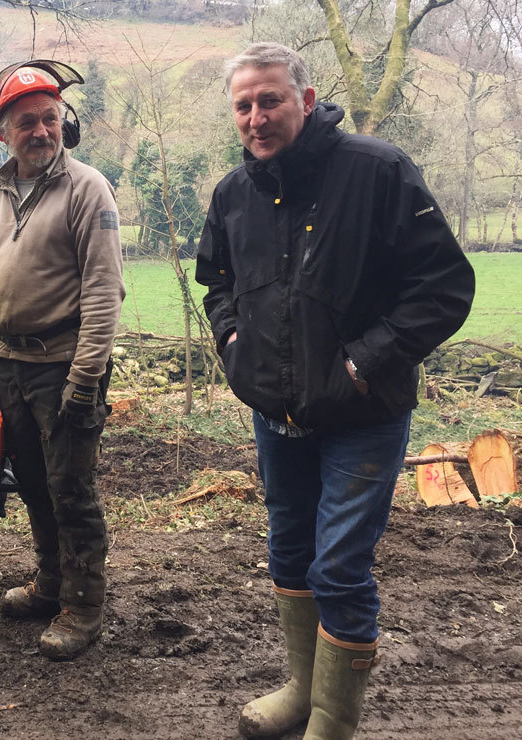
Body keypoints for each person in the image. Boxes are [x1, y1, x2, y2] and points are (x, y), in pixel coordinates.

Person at [195, 43, 474, 739]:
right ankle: (301, 690)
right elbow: (217, 284)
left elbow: (444, 289)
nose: (256, 118)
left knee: (340, 567)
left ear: (308, 100)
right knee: (289, 550)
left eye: (270, 101)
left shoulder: (377, 172)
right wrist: (235, 348)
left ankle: (333, 722)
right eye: (244, 106)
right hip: (276, 410)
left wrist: (359, 365)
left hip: (363, 412)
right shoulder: (235, 193)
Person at [0, 60, 125, 660]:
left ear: (66, 124)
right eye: (27, 122)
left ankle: (83, 604)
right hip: (7, 362)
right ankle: (50, 581)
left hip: (65, 362)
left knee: (69, 486)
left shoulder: (88, 190)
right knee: (30, 479)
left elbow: (105, 291)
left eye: (50, 119)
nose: (42, 131)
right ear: (0, 131)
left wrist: (85, 380)